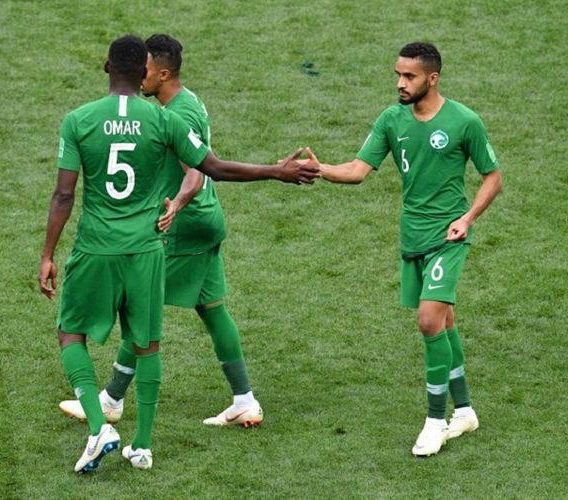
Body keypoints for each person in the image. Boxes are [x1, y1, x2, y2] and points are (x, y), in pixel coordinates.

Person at [40, 34, 317, 473]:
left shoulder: (82, 120)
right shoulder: (166, 115)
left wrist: (47, 253)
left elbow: (64, 193)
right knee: (185, 321)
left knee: (82, 331)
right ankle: (192, 421)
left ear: (109, 68)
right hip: (163, 239)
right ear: (140, 71)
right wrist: (275, 172)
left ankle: (105, 411)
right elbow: (214, 167)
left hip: (138, 237)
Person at [302, 42, 502, 457]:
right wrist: (319, 169)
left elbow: (493, 178)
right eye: (398, 74)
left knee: (429, 320)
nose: (399, 82)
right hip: (412, 238)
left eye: (409, 76)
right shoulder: (391, 120)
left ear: (432, 78)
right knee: (444, 322)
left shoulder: (464, 121)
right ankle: (464, 410)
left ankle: (434, 421)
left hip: (448, 238)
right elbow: (357, 171)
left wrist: (467, 219)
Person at [59, 34, 264, 430]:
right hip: (207, 222)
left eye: (148, 71)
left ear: (163, 73)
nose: (141, 78)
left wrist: (177, 204)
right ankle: (244, 399)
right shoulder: (184, 102)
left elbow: (197, 173)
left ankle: (112, 398)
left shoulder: (178, 114)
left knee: (141, 312)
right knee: (212, 307)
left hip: (182, 227)